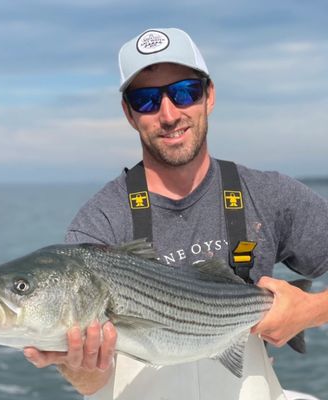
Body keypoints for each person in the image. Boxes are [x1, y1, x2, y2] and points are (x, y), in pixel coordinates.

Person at [23, 28, 328, 400]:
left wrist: (311, 309)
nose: (169, 114)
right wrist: (77, 365)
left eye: (185, 92)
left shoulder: (270, 194)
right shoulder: (100, 223)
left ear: (209, 96)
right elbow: (92, 386)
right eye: (147, 100)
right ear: (129, 113)